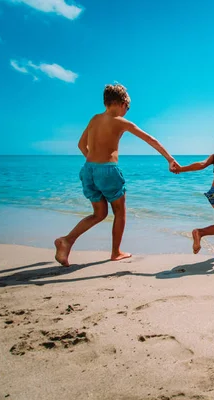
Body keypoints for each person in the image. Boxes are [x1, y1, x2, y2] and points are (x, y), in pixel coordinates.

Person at [54, 83, 179, 266]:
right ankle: (115, 252)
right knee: (119, 211)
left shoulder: (94, 118)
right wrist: (170, 159)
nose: (127, 111)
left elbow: (81, 145)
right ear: (122, 103)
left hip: (88, 169)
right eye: (127, 108)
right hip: (108, 171)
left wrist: (94, 163)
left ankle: (67, 241)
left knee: (99, 213)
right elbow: (150, 139)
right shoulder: (122, 122)